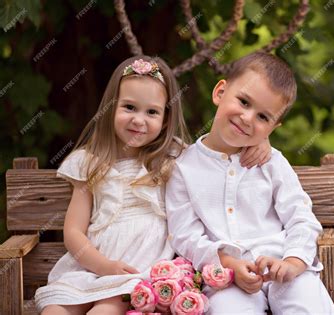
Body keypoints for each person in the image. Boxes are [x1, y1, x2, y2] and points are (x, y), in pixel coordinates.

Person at [35, 55, 271, 315]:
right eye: (129, 107)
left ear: (166, 119)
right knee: (54, 311)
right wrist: (103, 265)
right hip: (91, 266)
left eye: (151, 112)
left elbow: (219, 154)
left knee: (103, 312)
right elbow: (73, 232)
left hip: (138, 274)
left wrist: (259, 141)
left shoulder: (174, 157)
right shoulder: (88, 162)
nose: (139, 120)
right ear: (111, 107)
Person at [166, 52, 334, 314]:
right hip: (226, 277)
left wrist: (292, 261)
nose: (247, 118)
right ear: (220, 92)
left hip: (281, 264)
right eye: (244, 102)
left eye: (263, 117)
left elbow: (301, 217)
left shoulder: (272, 163)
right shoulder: (184, 168)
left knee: (307, 305)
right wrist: (228, 263)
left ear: (272, 128)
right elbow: (184, 235)